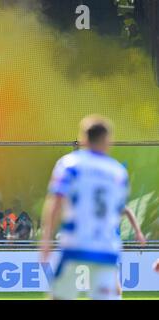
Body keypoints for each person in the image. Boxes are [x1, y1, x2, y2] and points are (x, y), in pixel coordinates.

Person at [41, 115, 145, 300]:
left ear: (83, 139)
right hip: (107, 247)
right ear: (108, 140)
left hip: (76, 243)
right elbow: (119, 209)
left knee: (60, 297)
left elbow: (56, 201)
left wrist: (46, 239)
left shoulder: (70, 164)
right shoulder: (118, 172)